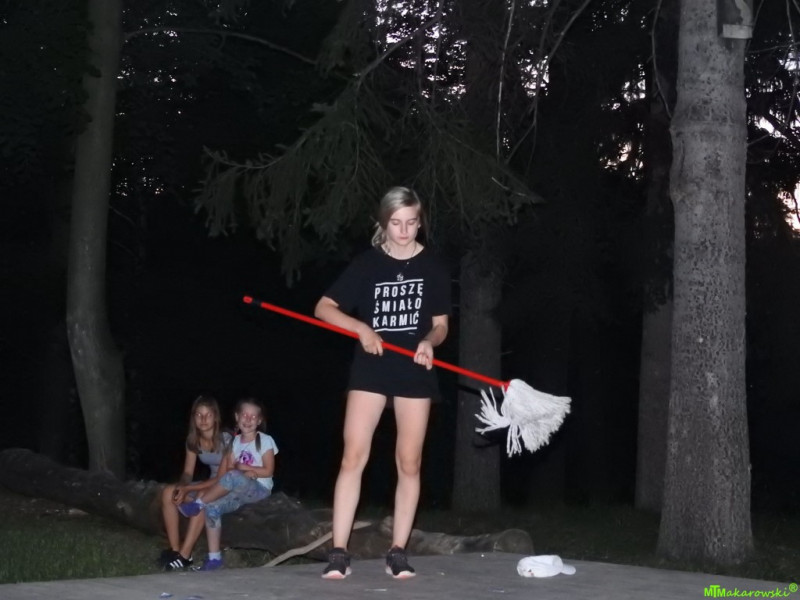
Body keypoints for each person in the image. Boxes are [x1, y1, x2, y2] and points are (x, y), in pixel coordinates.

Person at [314, 186, 451, 580]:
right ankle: (339, 552)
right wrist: (360, 328)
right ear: (383, 223)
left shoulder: (433, 267)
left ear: (420, 222)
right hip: (371, 369)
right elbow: (323, 308)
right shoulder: (368, 264)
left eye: (411, 222)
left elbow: (441, 325)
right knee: (352, 456)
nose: (404, 231)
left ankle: (398, 551)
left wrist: (429, 342)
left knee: (409, 462)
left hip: (414, 369)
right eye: (396, 223)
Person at [176, 397, 278, 571]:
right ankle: (214, 559)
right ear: (237, 417)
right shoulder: (234, 442)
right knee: (212, 508)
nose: (248, 419)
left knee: (231, 477)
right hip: (238, 491)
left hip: (259, 489)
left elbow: (268, 471)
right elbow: (230, 468)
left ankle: (197, 504)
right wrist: (242, 472)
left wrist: (246, 469)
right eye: (244, 415)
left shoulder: (265, 440)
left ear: (259, 421)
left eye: (253, 417)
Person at [159, 394, 232, 571]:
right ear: (194, 418)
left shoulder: (227, 440)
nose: (203, 419)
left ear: (215, 417)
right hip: (209, 483)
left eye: (208, 415)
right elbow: (187, 472)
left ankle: (185, 555)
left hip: (227, 484)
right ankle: (175, 550)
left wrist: (188, 488)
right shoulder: (193, 441)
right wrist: (182, 486)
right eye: (199, 415)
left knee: (202, 496)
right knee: (169, 492)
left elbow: (221, 478)